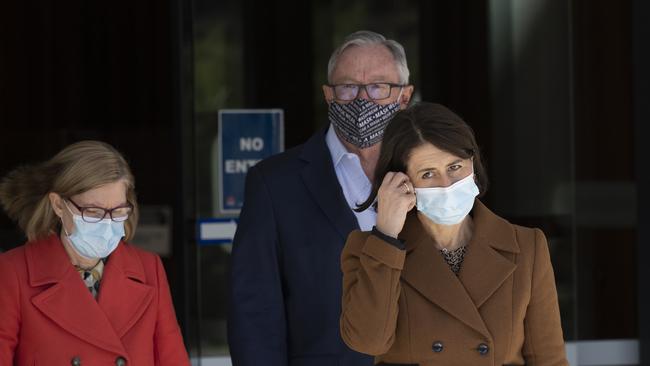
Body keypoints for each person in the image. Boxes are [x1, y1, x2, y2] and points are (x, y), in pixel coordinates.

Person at [227, 30, 414, 366]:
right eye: (348, 87)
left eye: (378, 86)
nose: (362, 99)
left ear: (404, 96)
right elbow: (254, 314)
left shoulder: (429, 174)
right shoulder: (274, 183)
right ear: (328, 94)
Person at [339, 102, 568, 366]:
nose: (447, 184)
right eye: (428, 174)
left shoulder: (527, 247)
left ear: (473, 163)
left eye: (455, 167)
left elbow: (549, 359)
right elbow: (368, 341)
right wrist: (387, 234)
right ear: (402, 182)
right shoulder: (369, 250)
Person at [0, 141, 190, 366]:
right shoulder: (13, 272)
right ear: (59, 205)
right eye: (93, 212)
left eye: (118, 211)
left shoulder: (149, 269)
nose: (107, 223)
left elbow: (173, 360)